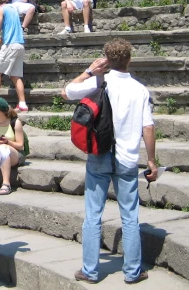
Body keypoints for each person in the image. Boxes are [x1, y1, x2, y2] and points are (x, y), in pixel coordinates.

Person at [62, 39, 157, 285]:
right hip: (127, 160)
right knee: (130, 217)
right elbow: (148, 127)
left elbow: (67, 91)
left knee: (93, 215)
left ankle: (90, 271)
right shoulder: (140, 89)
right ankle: (133, 271)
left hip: (99, 156)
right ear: (130, 59)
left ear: (105, 59)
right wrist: (152, 161)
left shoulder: (98, 81)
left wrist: (89, 71)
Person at [0, 0, 28, 112]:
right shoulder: (13, 9)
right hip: (19, 45)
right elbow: (10, 28)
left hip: (10, 46)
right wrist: (0, 40)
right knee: (15, 76)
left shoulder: (1, 9)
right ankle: (22, 104)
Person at [0, 97, 26, 196]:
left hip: (15, 155)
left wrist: (7, 142)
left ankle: (6, 184)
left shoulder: (15, 122)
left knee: (3, 147)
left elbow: (21, 146)